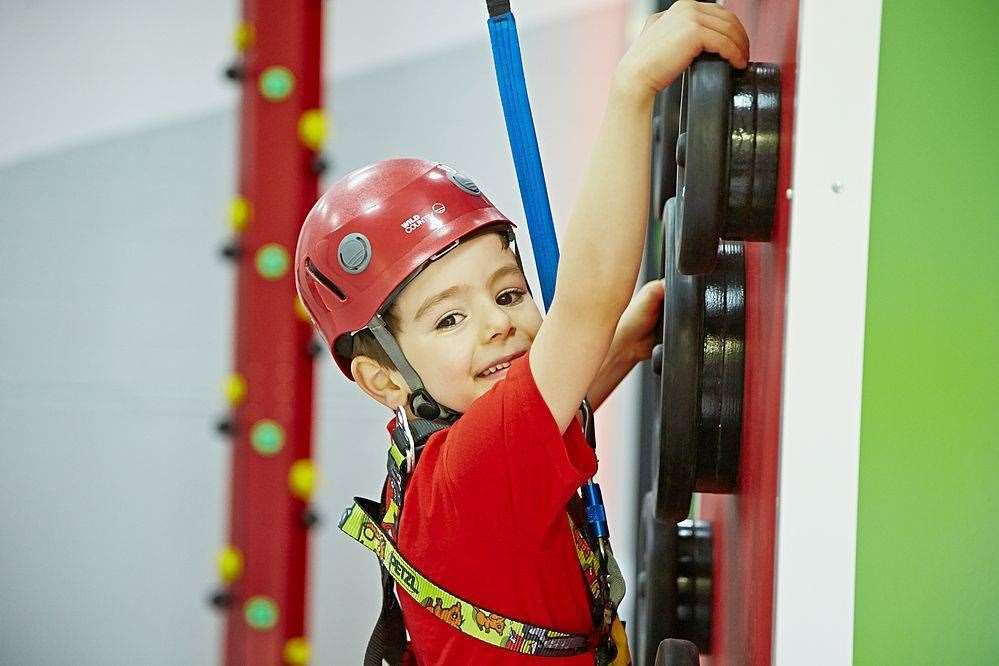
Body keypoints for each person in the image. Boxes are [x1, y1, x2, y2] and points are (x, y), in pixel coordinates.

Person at [295, 2, 750, 663]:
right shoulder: (470, 473)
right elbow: (585, 300)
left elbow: (567, 374)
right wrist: (633, 90)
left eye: (507, 292)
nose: (498, 322)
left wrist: (622, 341)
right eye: (449, 318)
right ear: (383, 377)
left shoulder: (431, 462)